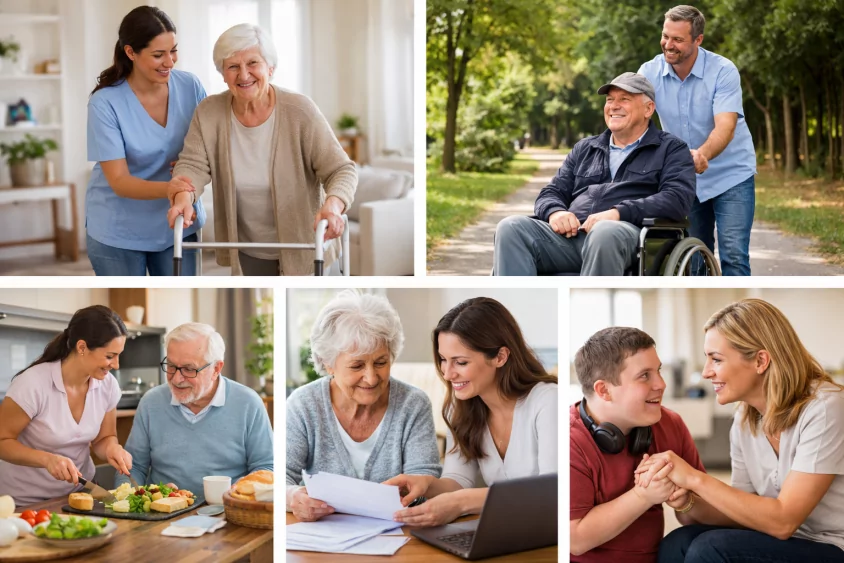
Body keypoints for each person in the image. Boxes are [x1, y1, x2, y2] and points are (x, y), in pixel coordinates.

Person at [634, 299, 844, 562]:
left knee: (710, 548)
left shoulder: (824, 408)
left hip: (832, 545)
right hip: (787, 540)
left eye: (716, 359)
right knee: (678, 543)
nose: (707, 372)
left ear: (760, 361)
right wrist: (687, 500)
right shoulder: (745, 419)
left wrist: (694, 478)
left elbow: (783, 521)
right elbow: (744, 513)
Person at [167, 23, 357, 276]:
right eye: (233, 66)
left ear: (271, 67)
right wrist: (183, 198)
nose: (243, 75)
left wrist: (333, 206)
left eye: (253, 63)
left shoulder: (300, 111)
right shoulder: (209, 112)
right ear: (222, 73)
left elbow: (342, 170)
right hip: (247, 247)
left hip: (308, 245)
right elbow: (193, 165)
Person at [494, 73, 695, 276]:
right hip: (571, 238)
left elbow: (677, 199)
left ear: (648, 109)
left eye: (624, 99)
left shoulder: (671, 148)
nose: (614, 106)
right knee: (510, 228)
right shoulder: (585, 148)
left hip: (630, 239)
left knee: (604, 232)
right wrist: (556, 212)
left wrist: (617, 213)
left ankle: (591, 307)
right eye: (609, 100)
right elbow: (551, 191)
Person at [386, 297, 558, 527]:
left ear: (500, 357)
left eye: (460, 362)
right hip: (503, 533)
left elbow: (552, 491)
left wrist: (461, 502)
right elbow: (458, 480)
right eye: (443, 360)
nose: (447, 374)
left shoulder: (547, 400)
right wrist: (426, 483)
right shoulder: (461, 406)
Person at [286, 290, 441, 522]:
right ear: (328, 364)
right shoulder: (303, 404)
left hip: (398, 536)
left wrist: (419, 488)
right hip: (323, 540)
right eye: (357, 366)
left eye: (381, 362)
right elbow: (278, 475)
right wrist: (292, 497)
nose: (371, 378)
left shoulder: (413, 404)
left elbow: (424, 477)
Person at [86, 6, 205, 276]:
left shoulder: (191, 87)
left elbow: (209, 146)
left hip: (179, 219)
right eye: (158, 55)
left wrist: (188, 182)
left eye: (173, 50)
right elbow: (119, 181)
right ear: (131, 53)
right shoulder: (105, 103)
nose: (170, 62)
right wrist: (173, 187)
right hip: (119, 228)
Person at [638, 6, 757, 276]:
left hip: (731, 174)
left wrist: (702, 155)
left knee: (734, 255)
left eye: (678, 39)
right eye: (665, 36)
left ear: (698, 40)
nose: (668, 45)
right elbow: (636, 121)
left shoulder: (723, 71)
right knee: (695, 259)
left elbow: (725, 126)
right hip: (685, 176)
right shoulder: (649, 72)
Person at [570, 327, 704, 562]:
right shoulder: (570, 441)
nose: (661, 384)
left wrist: (686, 501)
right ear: (604, 390)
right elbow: (576, 540)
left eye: (658, 371)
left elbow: (694, 517)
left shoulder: (670, 424)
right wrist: (643, 496)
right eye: (645, 375)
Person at [117, 323, 273, 495]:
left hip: (229, 513)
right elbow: (133, 466)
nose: (177, 378)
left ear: (216, 368)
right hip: (164, 513)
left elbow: (266, 468)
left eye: (189, 369)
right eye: (170, 366)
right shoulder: (151, 403)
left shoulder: (248, 403)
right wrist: (135, 498)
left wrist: (238, 495)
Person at [0, 306, 133, 507]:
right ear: (81, 348)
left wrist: (112, 448)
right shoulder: (32, 384)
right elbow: (2, 441)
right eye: (109, 356)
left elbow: (104, 438)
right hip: (24, 502)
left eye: (118, 355)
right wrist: (47, 460)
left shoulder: (107, 385)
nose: (116, 365)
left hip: (80, 494)